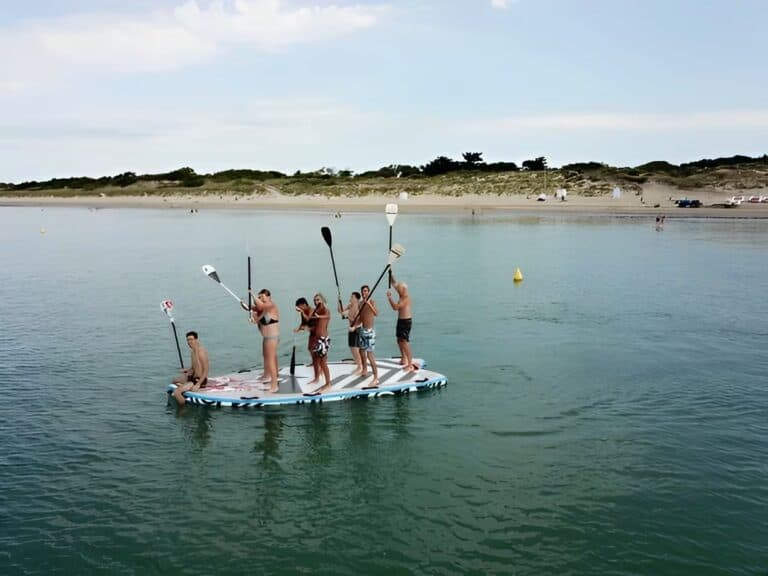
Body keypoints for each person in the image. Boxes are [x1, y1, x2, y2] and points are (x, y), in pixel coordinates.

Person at [240, 288, 280, 393]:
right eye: (259, 297)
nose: (260, 298)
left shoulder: (271, 305)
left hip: (272, 337)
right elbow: (250, 308)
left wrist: (251, 294)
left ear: (269, 297)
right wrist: (243, 303)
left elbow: (261, 306)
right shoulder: (261, 309)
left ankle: (274, 385)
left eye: (262, 296)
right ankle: (267, 375)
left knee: (270, 359)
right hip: (266, 337)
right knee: (266, 356)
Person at [171, 331, 210, 406]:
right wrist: (188, 370)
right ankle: (185, 386)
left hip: (198, 380)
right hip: (192, 376)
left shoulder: (201, 352)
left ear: (196, 340)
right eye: (188, 340)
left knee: (177, 393)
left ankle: (183, 409)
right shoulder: (193, 351)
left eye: (191, 339)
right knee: (174, 380)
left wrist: (198, 384)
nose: (189, 342)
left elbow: (206, 369)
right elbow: (194, 367)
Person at [386, 273, 415, 371]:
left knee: (404, 342)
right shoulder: (401, 294)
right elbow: (394, 282)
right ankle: (404, 358)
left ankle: (410, 364)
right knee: (398, 340)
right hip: (400, 320)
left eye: (399, 289)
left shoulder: (405, 298)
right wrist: (390, 272)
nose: (397, 290)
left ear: (403, 290)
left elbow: (395, 308)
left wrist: (390, 298)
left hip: (406, 322)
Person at [354, 284, 379, 388]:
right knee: (361, 350)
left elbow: (376, 313)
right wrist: (354, 325)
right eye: (363, 291)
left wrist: (368, 304)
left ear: (368, 292)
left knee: (370, 355)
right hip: (363, 330)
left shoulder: (371, 302)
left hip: (369, 331)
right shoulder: (360, 304)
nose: (364, 293)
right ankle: (364, 370)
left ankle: (376, 378)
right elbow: (361, 318)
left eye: (366, 291)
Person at [307, 293, 331, 394]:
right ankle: (317, 378)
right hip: (317, 339)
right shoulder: (315, 310)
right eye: (315, 300)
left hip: (323, 339)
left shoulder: (324, 309)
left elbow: (327, 316)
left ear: (321, 300)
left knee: (323, 362)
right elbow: (310, 320)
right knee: (317, 360)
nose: (316, 301)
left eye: (318, 300)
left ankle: (328, 383)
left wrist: (319, 316)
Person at [338, 291, 363, 374]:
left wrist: (354, 328)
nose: (350, 298)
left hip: (356, 329)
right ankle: (358, 361)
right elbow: (341, 311)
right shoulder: (350, 305)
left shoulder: (359, 307)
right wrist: (339, 301)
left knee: (355, 348)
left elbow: (360, 320)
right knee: (352, 347)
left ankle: (360, 366)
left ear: (356, 299)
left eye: (352, 297)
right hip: (351, 328)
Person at [295, 296, 318, 383]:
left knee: (314, 349)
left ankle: (317, 365)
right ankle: (314, 362)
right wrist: (298, 329)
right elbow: (303, 322)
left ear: (304, 304)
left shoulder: (312, 310)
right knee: (310, 348)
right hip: (311, 331)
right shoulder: (303, 312)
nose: (298, 309)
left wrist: (302, 312)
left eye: (299, 306)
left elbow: (308, 318)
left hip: (317, 330)